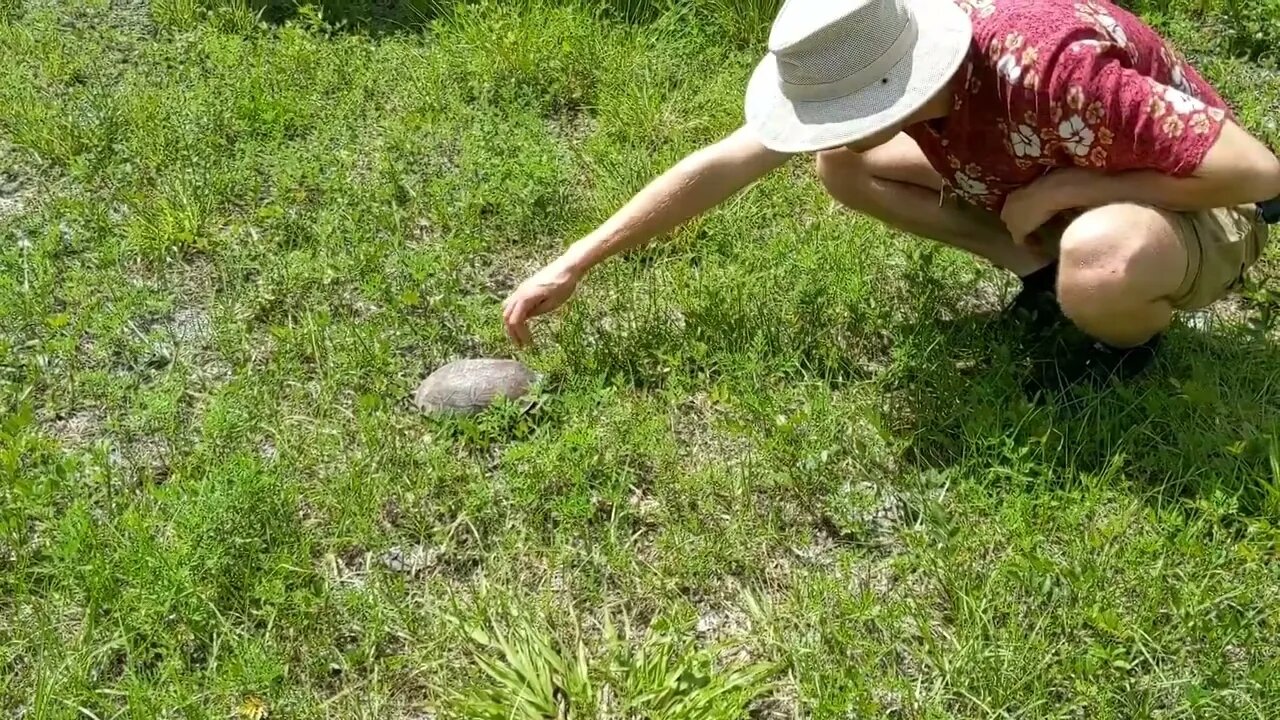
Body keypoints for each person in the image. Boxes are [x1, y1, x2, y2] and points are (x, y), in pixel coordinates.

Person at [502, 0, 1280, 386]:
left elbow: (1260, 173)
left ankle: (1121, 337)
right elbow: (726, 161)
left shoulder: (1051, 72)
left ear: (902, 87)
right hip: (1042, 166)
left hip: (1200, 202)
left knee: (1103, 260)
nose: (828, 126)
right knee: (844, 166)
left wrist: (1069, 186)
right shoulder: (907, 55)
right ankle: (1042, 276)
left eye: (842, 113)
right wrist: (576, 260)